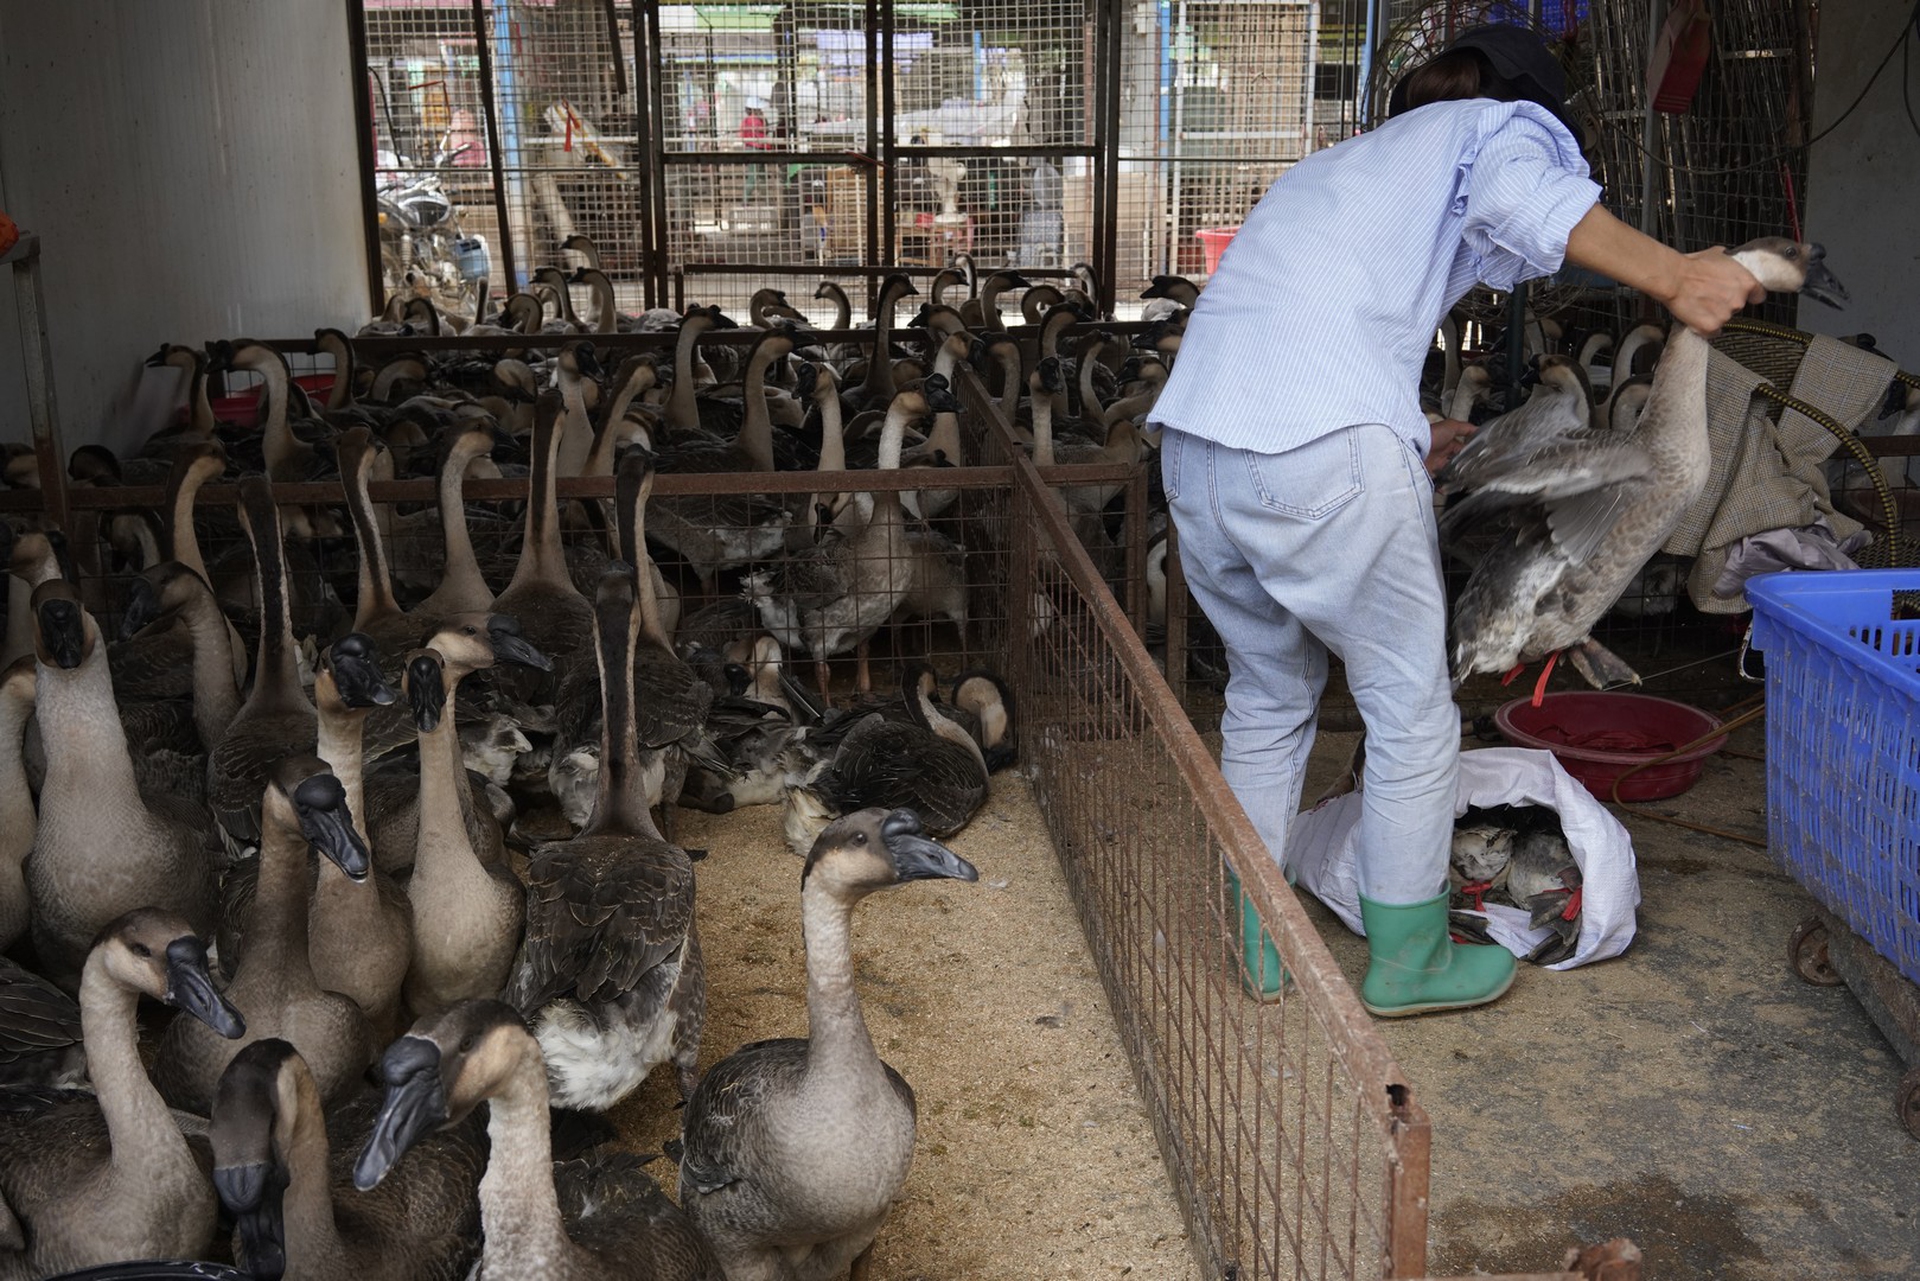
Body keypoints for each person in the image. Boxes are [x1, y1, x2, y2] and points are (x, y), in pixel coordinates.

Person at [1148, 24, 1763, 1017]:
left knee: (1266, 698)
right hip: (1319, 450)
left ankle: (1252, 941)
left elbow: (1300, 323)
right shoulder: (1497, 125)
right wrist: (1675, 276)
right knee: (1408, 705)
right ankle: (1408, 964)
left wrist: (1402, 424)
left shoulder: (1334, 169)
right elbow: (1528, 200)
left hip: (1199, 448)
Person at [739, 102, 771, 203]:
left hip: (750, 148)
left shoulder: (745, 120)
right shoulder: (756, 119)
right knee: (755, 176)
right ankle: (745, 199)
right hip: (757, 148)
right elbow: (764, 130)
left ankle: (765, 198)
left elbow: (742, 134)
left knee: (759, 175)